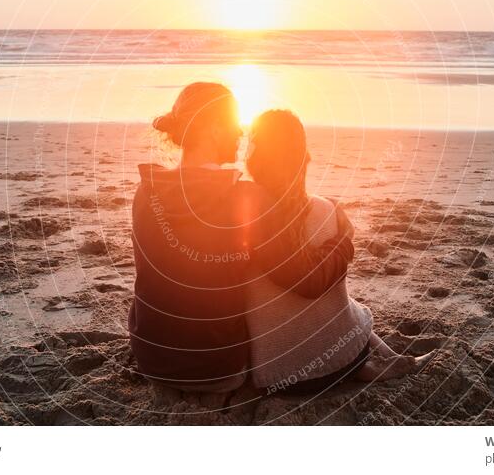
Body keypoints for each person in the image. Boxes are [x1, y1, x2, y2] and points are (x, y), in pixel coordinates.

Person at [129, 82, 355, 393]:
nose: (241, 134)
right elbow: (309, 281)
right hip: (216, 370)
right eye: (236, 124)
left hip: (151, 361)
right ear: (213, 128)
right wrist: (343, 239)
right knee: (319, 222)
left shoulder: (145, 191)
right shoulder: (245, 198)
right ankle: (357, 346)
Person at [244, 109, 434, 394]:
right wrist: (343, 243)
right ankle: (381, 361)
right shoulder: (329, 211)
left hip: (276, 377)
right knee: (348, 304)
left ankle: (383, 360)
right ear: (302, 158)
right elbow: (308, 281)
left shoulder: (238, 213)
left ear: (255, 156)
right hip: (340, 363)